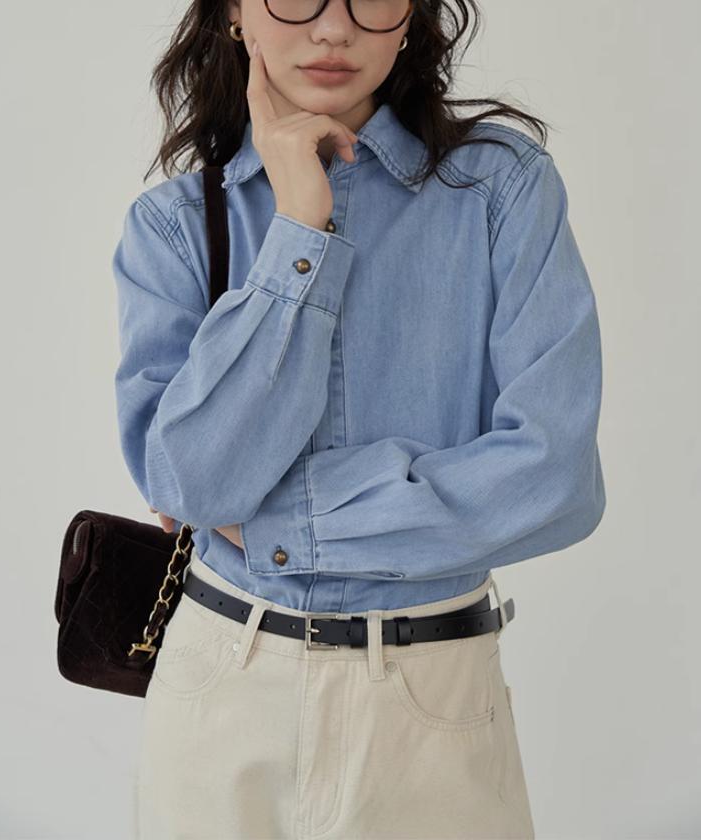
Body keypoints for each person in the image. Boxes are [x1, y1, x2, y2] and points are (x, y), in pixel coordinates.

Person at [112, 0, 606, 836]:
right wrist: (299, 228)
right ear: (234, 14)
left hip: (435, 699)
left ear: (410, 17)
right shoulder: (175, 225)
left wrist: (282, 524)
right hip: (224, 686)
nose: (333, 29)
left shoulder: (500, 189)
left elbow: (555, 477)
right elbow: (191, 485)